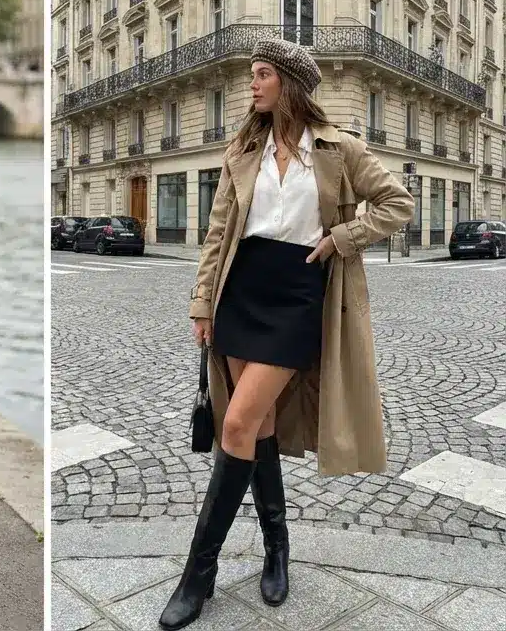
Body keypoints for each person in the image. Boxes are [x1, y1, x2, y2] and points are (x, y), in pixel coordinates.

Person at [159, 39, 413, 630]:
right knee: (261, 426)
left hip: (299, 295)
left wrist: (342, 238)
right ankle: (278, 547)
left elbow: (396, 203)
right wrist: (202, 302)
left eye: (263, 74)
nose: (253, 84)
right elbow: (219, 230)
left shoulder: (338, 148)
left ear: (291, 84)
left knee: (238, 423)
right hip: (241, 291)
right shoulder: (243, 148)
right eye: (252, 74)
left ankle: (199, 573)